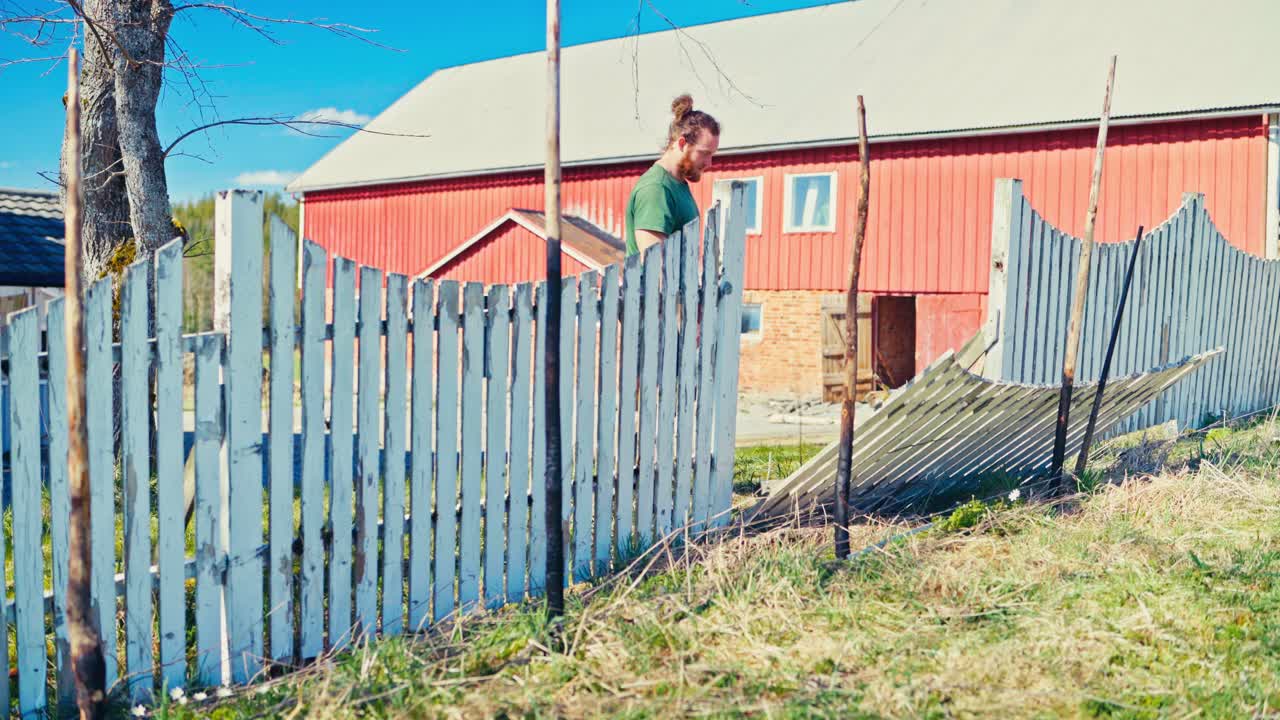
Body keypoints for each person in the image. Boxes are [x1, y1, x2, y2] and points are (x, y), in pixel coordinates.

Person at [624, 94, 721, 256]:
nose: (709, 163)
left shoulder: (677, 185)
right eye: (704, 153)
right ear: (682, 143)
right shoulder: (656, 189)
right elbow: (655, 267)